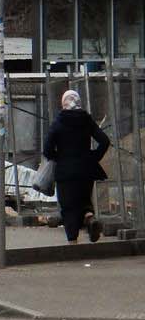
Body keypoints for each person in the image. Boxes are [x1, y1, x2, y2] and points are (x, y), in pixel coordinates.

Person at [43, 89, 110, 244]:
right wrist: (93, 157)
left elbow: (47, 148)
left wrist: (58, 158)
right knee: (84, 200)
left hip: (65, 172)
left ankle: (73, 242)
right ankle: (89, 218)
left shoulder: (59, 122)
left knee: (68, 207)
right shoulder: (86, 120)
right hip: (86, 170)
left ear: (63, 103)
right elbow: (104, 141)